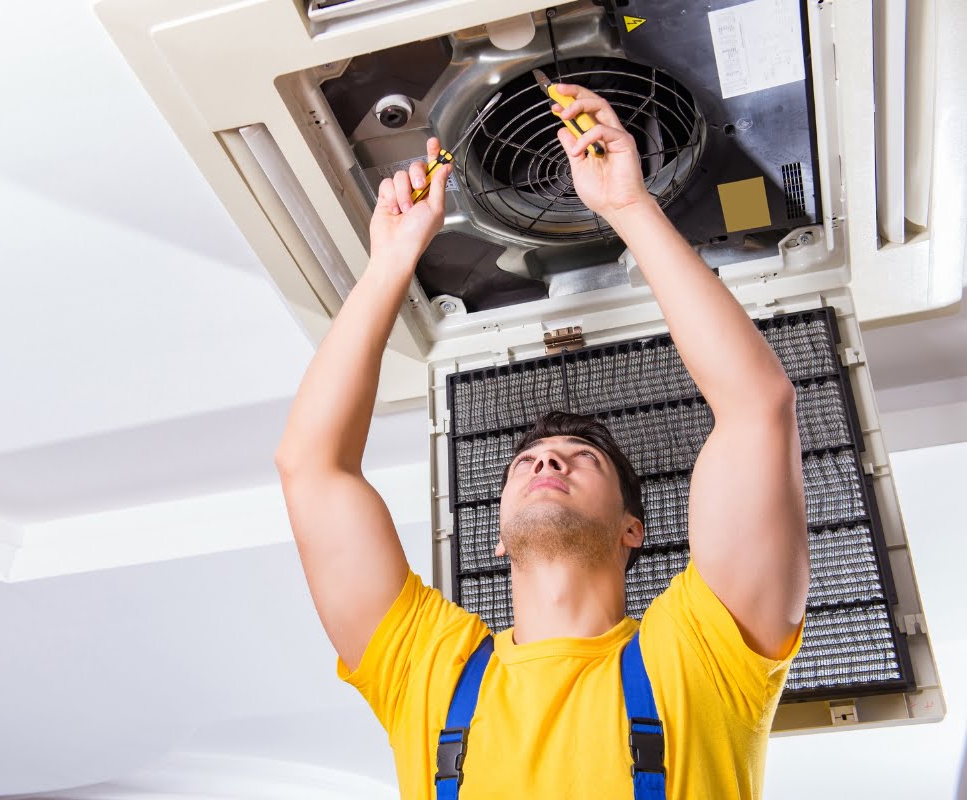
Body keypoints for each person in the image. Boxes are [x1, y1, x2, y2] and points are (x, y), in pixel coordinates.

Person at [275, 84, 808, 799]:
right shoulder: (433, 670)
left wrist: (629, 206)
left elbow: (757, 408)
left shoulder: (703, 655)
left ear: (632, 529)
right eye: (526, 463)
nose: (548, 460)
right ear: (496, 536)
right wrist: (387, 263)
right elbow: (309, 468)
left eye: (580, 460)